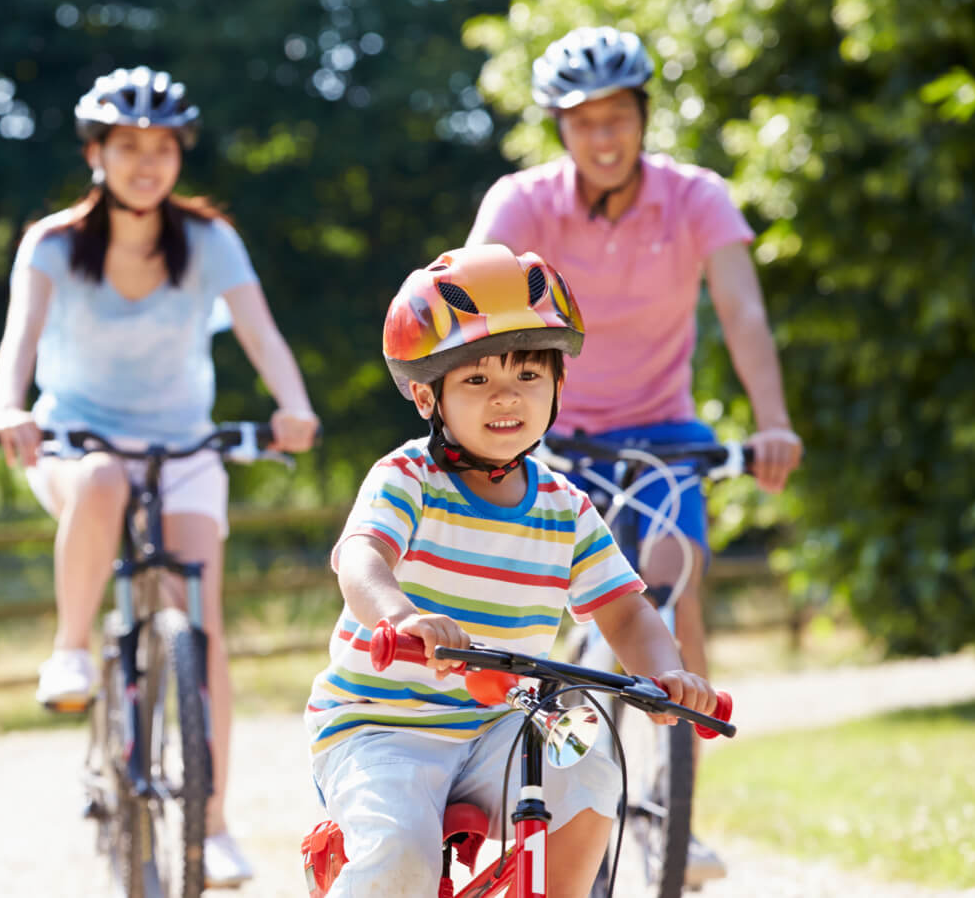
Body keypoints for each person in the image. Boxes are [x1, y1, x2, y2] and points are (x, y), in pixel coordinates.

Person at [466, 26, 804, 883]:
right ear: (559, 129)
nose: (604, 137)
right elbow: (474, 303)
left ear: (644, 118)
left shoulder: (696, 198)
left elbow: (744, 316)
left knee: (669, 573)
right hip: (553, 434)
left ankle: (670, 808)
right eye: (584, 122)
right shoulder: (523, 201)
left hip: (663, 433)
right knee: (543, 612)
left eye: (618, 117)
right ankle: (533, 779)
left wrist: (772, 421)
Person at [0, 65, 319, 887]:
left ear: (180, 156)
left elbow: (262, 334)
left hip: (183, 449)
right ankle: (70, 651)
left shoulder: (209, 240)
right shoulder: (55, 244)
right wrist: (9, 407)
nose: (146, 163)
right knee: (99, 482)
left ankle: (213, 822)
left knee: (198, 621)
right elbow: (19, 340)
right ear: (96, 153)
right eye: (127, 146)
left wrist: (294, 404)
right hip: (76, 442)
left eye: (162, 148)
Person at [304, 245, 717, 898]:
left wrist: (666, 672)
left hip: (508, 718)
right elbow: (361, 559)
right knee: (401, 856)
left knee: (593, 766)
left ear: (557, 385)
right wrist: (402, 616)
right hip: (380, 725)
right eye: (475, 380)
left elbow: (626, 609)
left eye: (528, 374)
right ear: (424, 395)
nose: (506, 396)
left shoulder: (565, 506)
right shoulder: (407, 477)